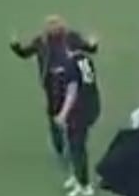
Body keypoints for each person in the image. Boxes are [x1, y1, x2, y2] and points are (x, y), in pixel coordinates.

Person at [10, 17, 99, 171]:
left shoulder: (72, 38)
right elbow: (25, 53)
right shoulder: (41, 42)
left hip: (68, 79)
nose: (55, 29)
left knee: (71, 111)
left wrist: (93, 44)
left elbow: (88, 48)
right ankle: (59, 143)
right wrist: (15, 46)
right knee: (53, 113)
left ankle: (72, 140)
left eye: (57, 26)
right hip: (51, 83)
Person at [55, 40, 101, 196]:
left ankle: (85, 185)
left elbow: (72, 91)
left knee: (77, 146)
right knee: (74, 143)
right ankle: (77, 176)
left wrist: (63, 114)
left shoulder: (70, 64)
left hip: (79, 110)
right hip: (91, 105)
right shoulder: (86, 60)